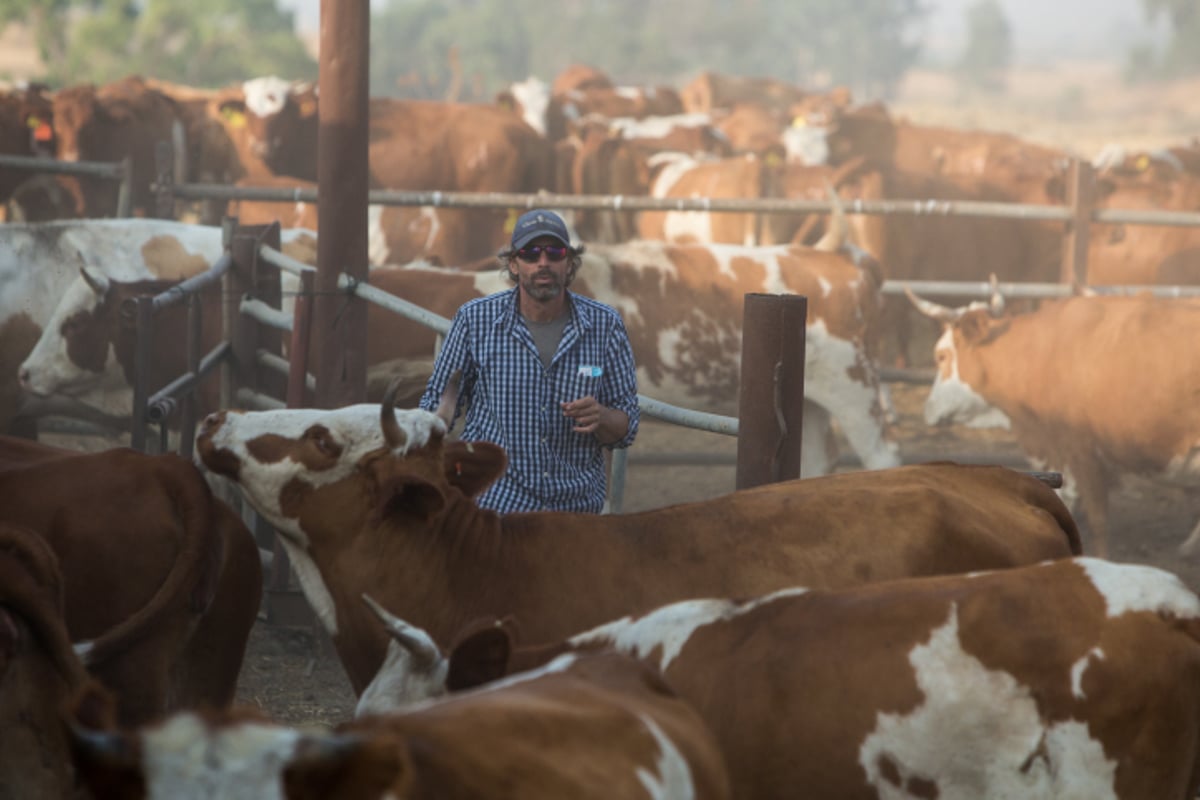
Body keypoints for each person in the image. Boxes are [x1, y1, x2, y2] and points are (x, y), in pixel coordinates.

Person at [418, 209, 640, 513]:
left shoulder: (605, 325)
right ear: (513, 263)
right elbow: (438, 402)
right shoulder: (475, 320)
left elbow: (627, 425)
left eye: (555, 252)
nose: (543, 263)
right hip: (497, 506)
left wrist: (601, 417)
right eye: (531, 253)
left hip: (575, 511)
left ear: (570, 262)